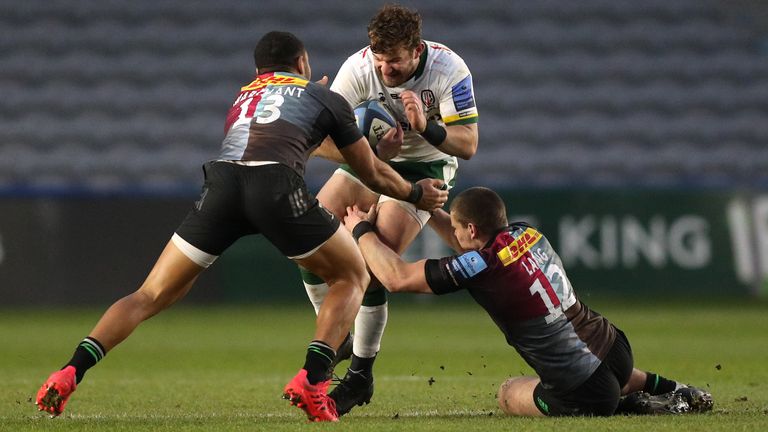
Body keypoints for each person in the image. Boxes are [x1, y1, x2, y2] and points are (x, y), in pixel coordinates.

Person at [34, 31, 448, 423]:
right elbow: (372, 173)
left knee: (150, 293)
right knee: (353, 273)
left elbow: (278, 127)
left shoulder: (244, 94)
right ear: (302, 61)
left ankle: (71, 371)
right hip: (275, 187)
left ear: (258, 72)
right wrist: (415, 194)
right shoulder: (323, 96)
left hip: (223, 184)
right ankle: (313, 379)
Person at [341, 187, 714, 417]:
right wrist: (423, 206)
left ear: (472, 230)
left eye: (457, 228)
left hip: (584, 390)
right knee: (595, 362)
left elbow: (395, 277)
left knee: (508, 393)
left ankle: (629, 405)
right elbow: (469, 244)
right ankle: (674, 389)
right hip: (616, 348)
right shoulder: (526, 233)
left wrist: (360, 229)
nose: (453, 234)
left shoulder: (480, 265)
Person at [302, 4, 479, 415]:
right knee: (311, 233)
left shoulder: (449, 69)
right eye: (379, 58)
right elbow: (317, 140)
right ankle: (340, 337)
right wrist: (365, 152)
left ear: (416, 51)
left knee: (374, 251)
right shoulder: (358, 69)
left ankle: (360, 376)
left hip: (425, 164)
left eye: (395, 60)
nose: (385, 69)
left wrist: (426, 128)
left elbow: (468, 144)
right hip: (371, 159)